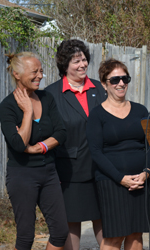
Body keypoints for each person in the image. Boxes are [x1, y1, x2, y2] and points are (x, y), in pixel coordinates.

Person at [0, 52, 69, 250]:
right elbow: (19, 145)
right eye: (34, 72)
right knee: (26, 236)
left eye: (41, 71)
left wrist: (41, 147)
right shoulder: (7, 107)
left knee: (60, 232)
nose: (40, 76)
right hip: (22, 175)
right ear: (17, 74)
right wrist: (28, 111)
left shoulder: (47, 98)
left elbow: (61, 133)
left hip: (49, 172)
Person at [86, 58, 150, 250]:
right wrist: (120, 178)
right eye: (114, 80)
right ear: (104, 84)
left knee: (135, 236)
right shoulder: (97, 115)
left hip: (141, 181)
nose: (121, 83)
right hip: (111, 182)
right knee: (114, 237)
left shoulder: (141, 110)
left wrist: (147, 172)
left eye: (125, 78)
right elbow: (96, 152)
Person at [45, 39, 105, 250]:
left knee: (104, 220)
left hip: (101, 168)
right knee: (72, 223)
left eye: (84, 60)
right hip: (69, 171)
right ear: (64, 65)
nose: (82, 65)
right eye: (76, 61)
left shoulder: (99, 88)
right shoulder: (51, 94)